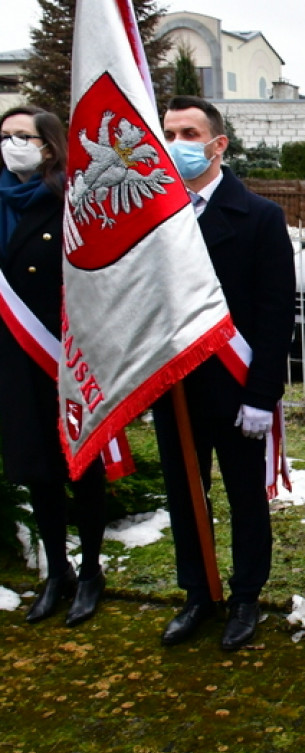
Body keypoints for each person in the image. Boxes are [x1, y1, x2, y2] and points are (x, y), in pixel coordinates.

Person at [152, 95, 294, 651]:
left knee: (243, 497)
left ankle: (244, 597)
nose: (176, 143)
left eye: (189, 132)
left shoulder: (260, 216)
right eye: (169, 132)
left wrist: (262, 394)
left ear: (218, 144)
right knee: (187, 495)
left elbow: (275, 312)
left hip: (236, 388)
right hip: (176, 388)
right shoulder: (156, 215)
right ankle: (197, 593)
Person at [0, 105, 109, 627]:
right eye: (5, 136)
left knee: (81, 466)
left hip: (65, 356)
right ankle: (57, 571)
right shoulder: (2, 199)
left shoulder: (68, 199)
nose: (12, 144)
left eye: (23, 136)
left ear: (48, 146)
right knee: (36, 471)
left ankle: (91, 571)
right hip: (13, 358)